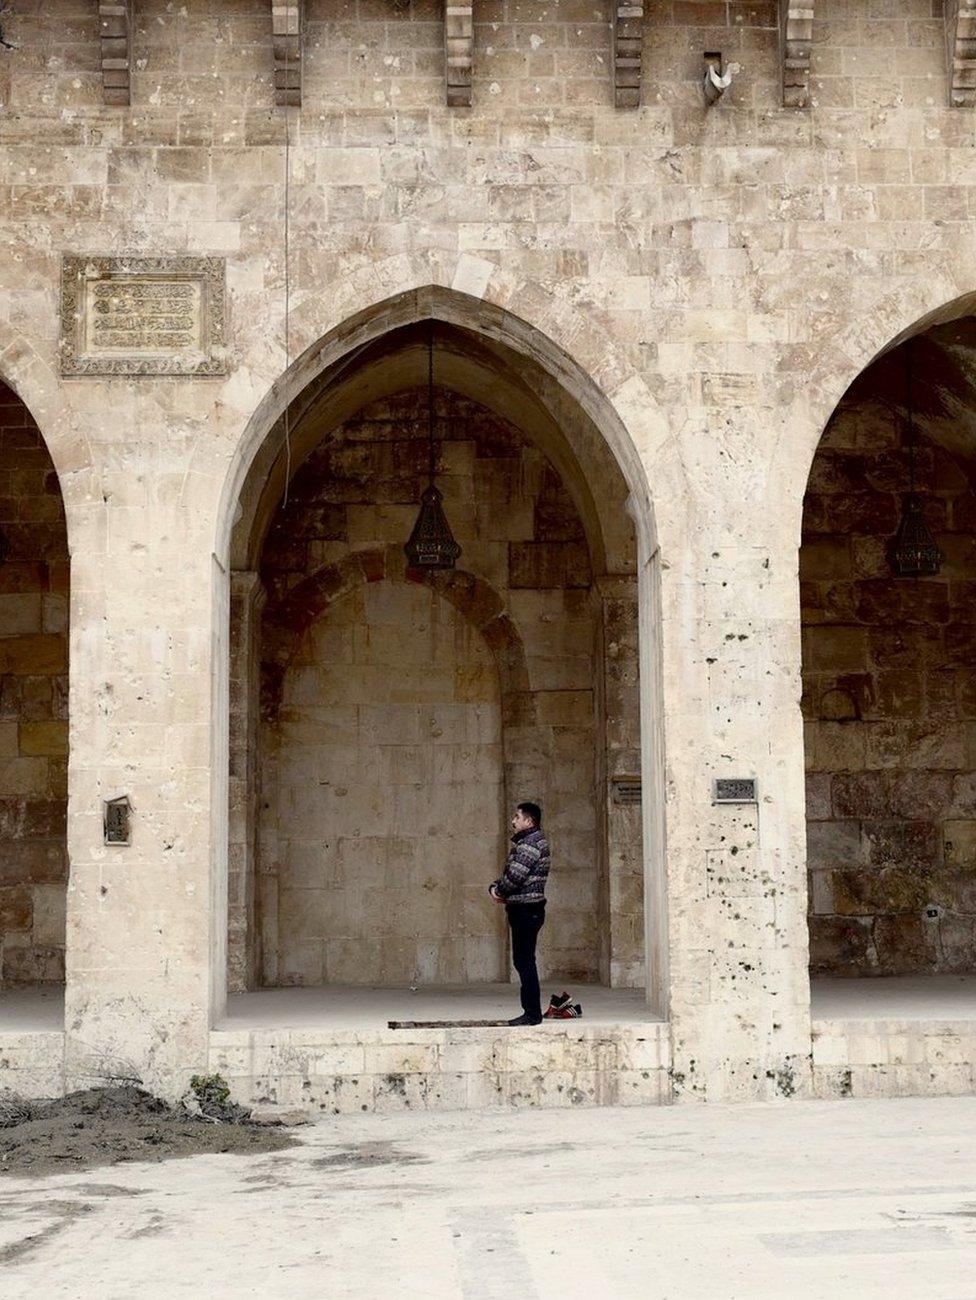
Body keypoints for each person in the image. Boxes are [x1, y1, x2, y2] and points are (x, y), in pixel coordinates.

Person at [489, 801, 550, 1026]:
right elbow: (512, 874)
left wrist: (498, 890)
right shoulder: (529, 843)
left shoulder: (530, 845)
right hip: (526, 909)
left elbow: (515, 876)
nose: (513, 820)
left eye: (517, 816)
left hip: (526, 910)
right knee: (524, 960)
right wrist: (496, 887)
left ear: (529, 821)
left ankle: (532, 1013)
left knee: (524, 961)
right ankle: (532, 1011)